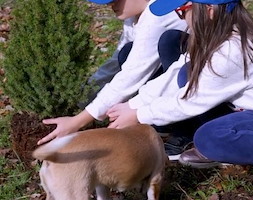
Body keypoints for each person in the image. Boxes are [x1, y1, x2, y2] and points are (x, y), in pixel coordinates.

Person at [104, 0, 253, 198]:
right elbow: (173, 78)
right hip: (248, 111)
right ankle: (224, 144)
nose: (180, 17)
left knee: (209, 138)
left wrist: (138, 115)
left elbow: (189, 101)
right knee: (185, 73)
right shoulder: (214, 38)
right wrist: (132, 104)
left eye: (182, 10)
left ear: (209, 10)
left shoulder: (232, 50)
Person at [37, 0, 190, 159]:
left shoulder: (158, 16)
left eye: (116, 0)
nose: (110, 6)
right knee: (126, 52)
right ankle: (164, 121)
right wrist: (83, 97)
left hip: (197, 80)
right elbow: (116, 63)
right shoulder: (133, 18)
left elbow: (133, 73)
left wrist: (79, 120)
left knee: (169, 42)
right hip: (173, 74)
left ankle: (186, 128)